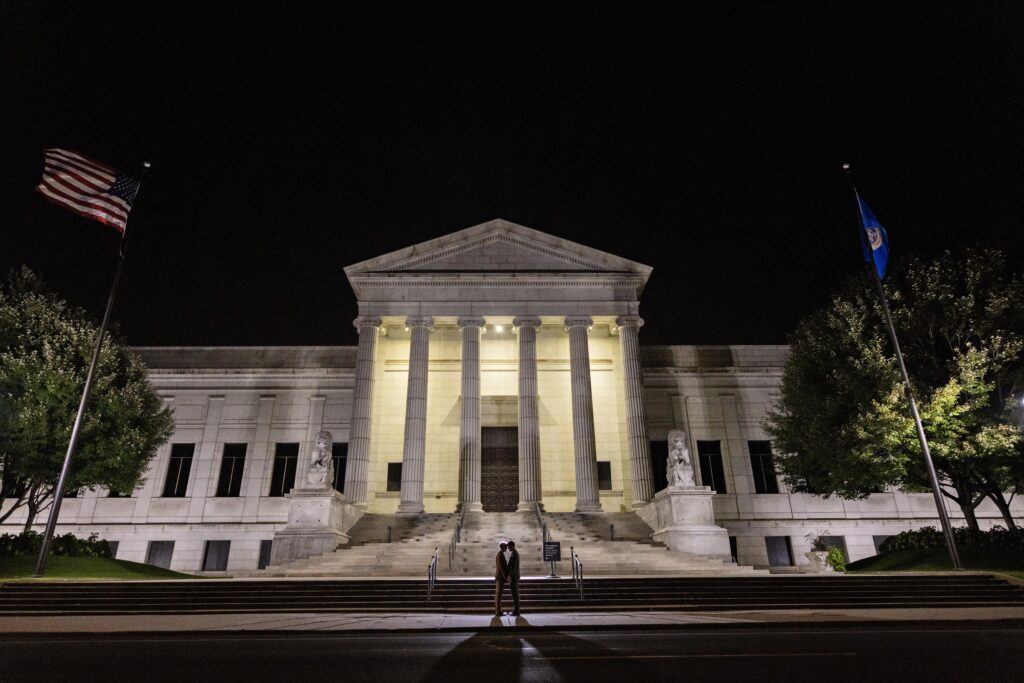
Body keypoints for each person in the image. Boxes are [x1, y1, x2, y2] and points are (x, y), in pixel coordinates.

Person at [494, 541, 509, 616]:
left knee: (498, 594)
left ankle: (498, 610)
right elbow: (502, 567)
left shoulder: (500, 554)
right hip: (500, 577)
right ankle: (498, 611)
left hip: (499, 576)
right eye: (506, 547)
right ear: (502, 547)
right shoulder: (500, 555)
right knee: (499, 594)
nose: (507, 548)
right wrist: (505, 577)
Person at [506, 540, 521, 616]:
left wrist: (510, 576)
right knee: (515, 594)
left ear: (512, 546)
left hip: (514, 576)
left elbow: (513, 567)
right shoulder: (514, 553)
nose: (508, 548)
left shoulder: (514, 554)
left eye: (509, 546)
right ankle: (516, 610)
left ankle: (516, 611)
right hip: (515, 576)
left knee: (515, 594)